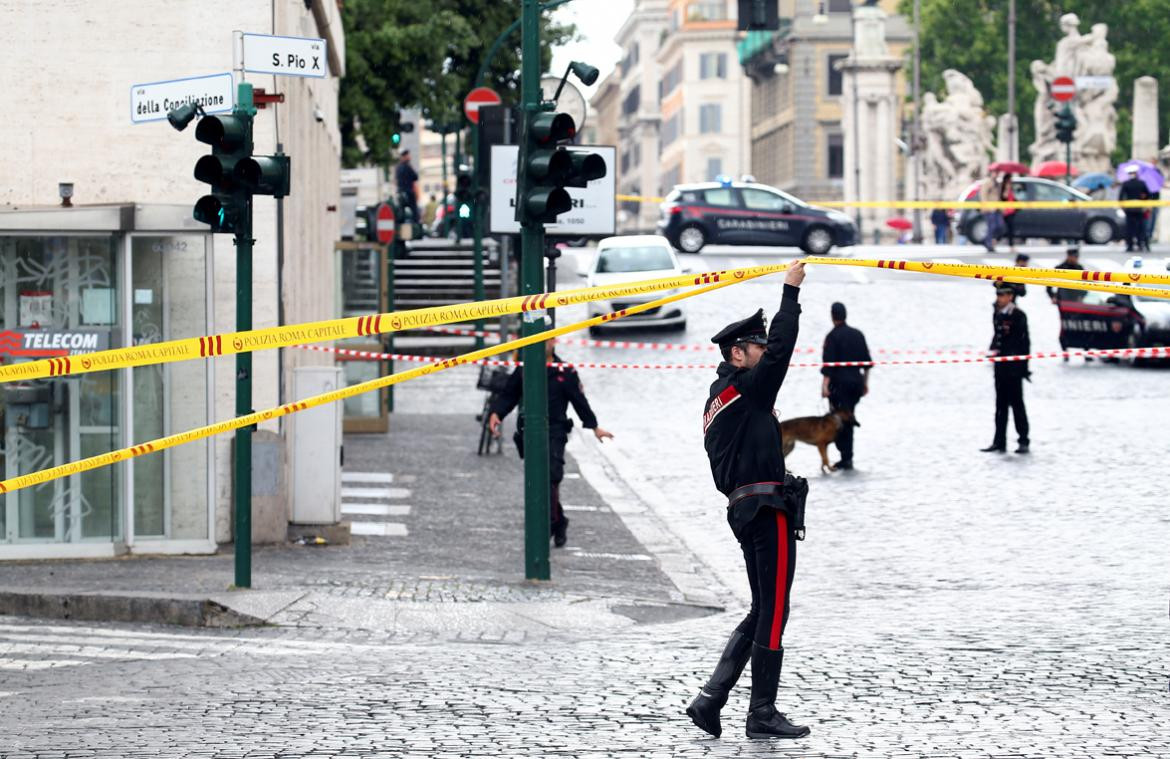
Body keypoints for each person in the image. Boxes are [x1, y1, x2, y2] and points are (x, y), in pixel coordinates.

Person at [687, 262, 810, 741]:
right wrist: (790, 293)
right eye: (756, 345)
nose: (764, 351)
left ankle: (710, 699)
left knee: (762, 607)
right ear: (738, 353)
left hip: (746, 509)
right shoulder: (743, 388)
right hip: (765, 510)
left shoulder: (723, 395)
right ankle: (762, 712)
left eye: (760, 344)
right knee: (775, 608)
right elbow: (781, 353)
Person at [488, 336, 613, 547]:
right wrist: (496, 414)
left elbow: (579, 401)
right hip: (529, 431)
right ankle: (559, 521)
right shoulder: (524, 369)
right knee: (538, 479)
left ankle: (550, 523)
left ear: (553, 342)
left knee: (552, 476)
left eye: (544, 340)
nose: (540, 345)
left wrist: (594, 427)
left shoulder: (565, 371)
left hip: (555, 430)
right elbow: (509, 394)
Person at [820, 302, 871, 470]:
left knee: (840, 420)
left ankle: (845, 457)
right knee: (848, 417)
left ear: (832, 315)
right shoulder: (858, 334)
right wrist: (865, 383)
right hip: (856, 384)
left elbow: (828, 364)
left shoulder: (832, 337)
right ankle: (847, 456)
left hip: (839, 386)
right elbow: (866, 363)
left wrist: (825, 386)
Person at [982, 284, 1031, 454]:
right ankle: (999, 440)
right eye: (998, 294)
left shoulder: (1018, 315)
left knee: (1017, 405)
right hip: (1001, 367)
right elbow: (997, 336)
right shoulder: (998, 313)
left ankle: (1023, 440)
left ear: (1010, 296)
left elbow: (1025, 343)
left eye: (1002, 295)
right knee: (1000, 405)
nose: (999, 298)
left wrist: (1024, 368)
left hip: (1014, 368)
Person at [1119, 165, 1149, 252]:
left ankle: (1130, 245)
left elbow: (1121, 197)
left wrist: (1123, 208)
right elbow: (1147, 195)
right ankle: (1140, 243)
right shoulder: (1142, 183)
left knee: (1130, 227)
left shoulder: (1126, 184)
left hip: (1129, 209)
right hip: (1140, 208)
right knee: (1140, 227)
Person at [978, 170, 1003, 252]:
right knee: (991, 227)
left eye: (997, 173)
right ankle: (988, 244)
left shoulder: (998, 183)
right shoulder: (987, 183)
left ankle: (986, 240)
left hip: (997, 208)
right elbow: (983, 195)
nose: (996, 174)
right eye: (995, 172)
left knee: (999, 226)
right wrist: (986, 207)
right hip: (989, 209)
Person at [394, 150, 420, 226]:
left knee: (401, 210)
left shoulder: (398, 167)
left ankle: (400, 224)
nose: (409, 157)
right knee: (414, 210)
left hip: (400, 192)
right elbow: (415, 177)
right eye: (408, 155)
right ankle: (415, 226)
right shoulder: (407, 166)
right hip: (408, 191)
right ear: (404, 157)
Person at [999, 172, 1020, 254]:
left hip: (1012, 210)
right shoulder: (1004, 187)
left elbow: (1012, 199)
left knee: (1010, 229)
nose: (1011, 180)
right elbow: (1004, 197)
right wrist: (1007, 189)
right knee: (1008, 229)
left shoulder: (1011, 188)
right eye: (1010, 179)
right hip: (1006, 211)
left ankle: (1010, 245)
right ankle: (996, 240)